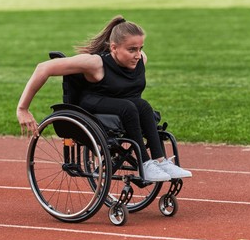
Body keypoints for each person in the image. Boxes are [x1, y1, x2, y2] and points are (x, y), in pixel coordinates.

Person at [16, 15, 192, 182]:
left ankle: (161, 162)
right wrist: (23, 108)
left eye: (140, 48)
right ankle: (146, 164)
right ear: (113, 48)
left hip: (123, 104)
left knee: (144, 106)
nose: (138, 55)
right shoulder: (95, 63)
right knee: (128, 107)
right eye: (132, 50)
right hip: (93, 103)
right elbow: (43, 68)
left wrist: (135, 55)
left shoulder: (140, 60)